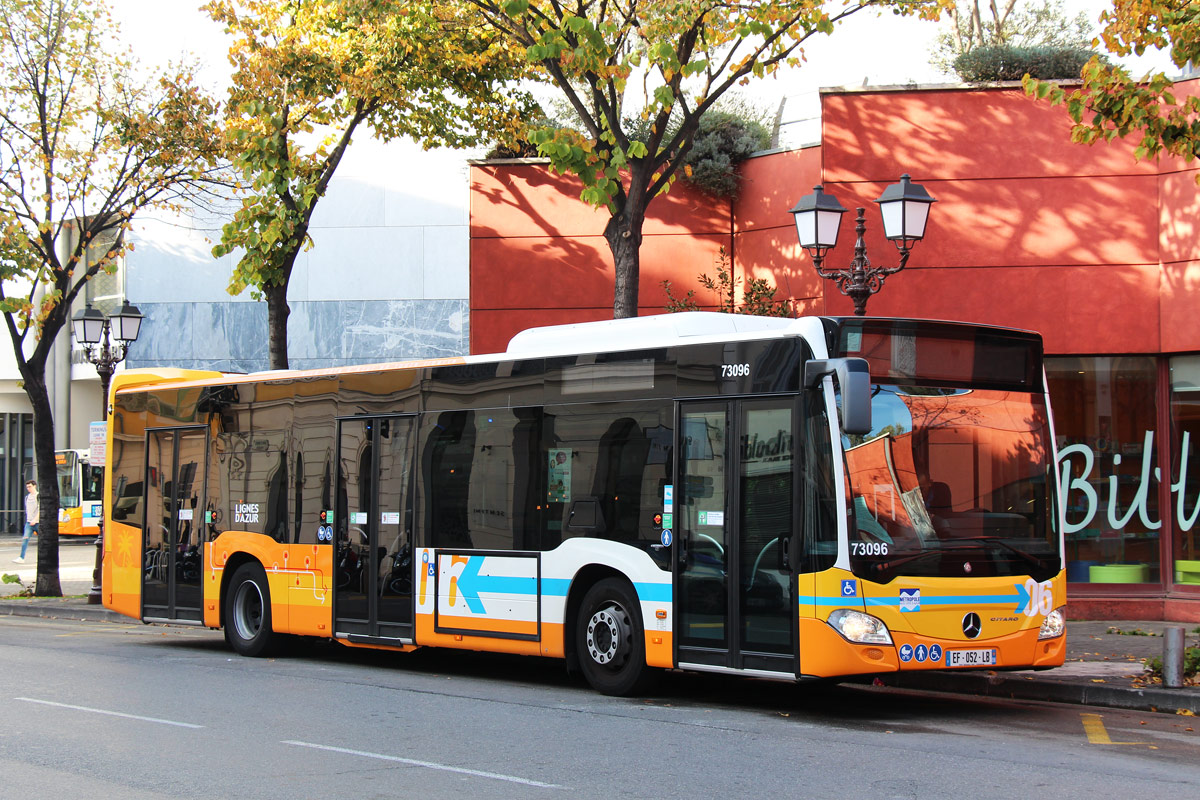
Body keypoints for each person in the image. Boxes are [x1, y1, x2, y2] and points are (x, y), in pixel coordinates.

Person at [14, 480, 37, 563]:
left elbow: (40, 509)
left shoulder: (38, 496)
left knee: (43, 541)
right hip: (29, 522)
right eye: (27, 487)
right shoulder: (27, 497)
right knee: (25, 538)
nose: (28, 488)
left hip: (37, 522)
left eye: (30, 486)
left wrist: (35, 519)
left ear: (35, 486)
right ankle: (21, 557)